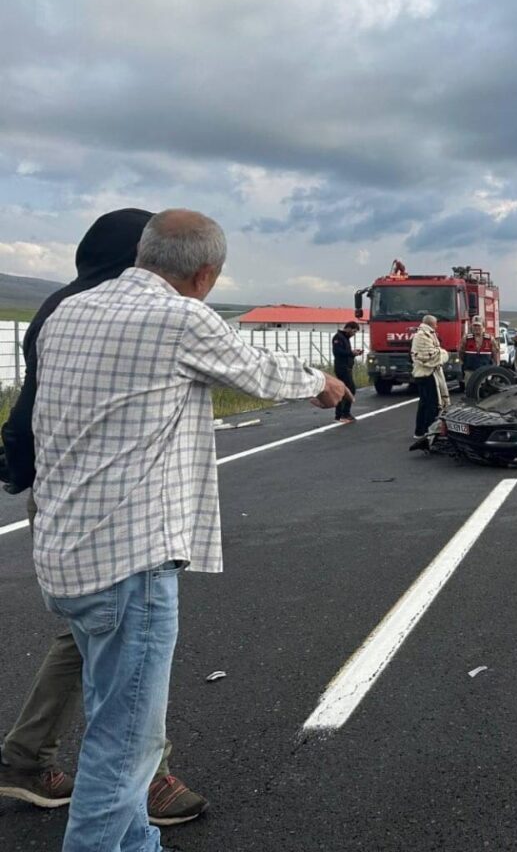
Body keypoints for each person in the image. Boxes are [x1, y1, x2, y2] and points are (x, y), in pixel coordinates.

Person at [29, 209, 348, 852]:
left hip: (63, 554)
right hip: (130, 563)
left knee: (113, 715)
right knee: (124, 746)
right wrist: (327, 385)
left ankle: (138, 842)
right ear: (205, 274)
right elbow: (261, 371)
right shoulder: (179, 317)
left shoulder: (69, 311)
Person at [0, 208, 209, 827]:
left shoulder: (65, 306)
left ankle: (26, 756)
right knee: (133, 637)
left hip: (64, 499)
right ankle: (144, 778)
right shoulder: (124, 312)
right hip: (104, 508)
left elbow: (33, 407)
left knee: (88, 637)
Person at [411, 314, 450, 438]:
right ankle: (429, 431)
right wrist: (444, 354)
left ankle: (421, 430)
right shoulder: (422, 336)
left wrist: (440, 352)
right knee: (431, 404)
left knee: (425, 403)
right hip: (426, 374)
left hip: (426, 374)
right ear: (431, 324)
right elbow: (429, 356)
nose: (437, 326)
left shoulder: (425, 334)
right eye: (436, 324)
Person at [331, 320, 364, 422]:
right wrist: (351, 353)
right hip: (342, 368)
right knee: (350, 390)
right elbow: (338, 352)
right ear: (348, 328)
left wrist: (354, 353)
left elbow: (346, 352)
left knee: (343, 390)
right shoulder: (338, 337)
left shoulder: (345, 338)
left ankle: (340, 414)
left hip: (347, 367)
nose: (354, 334)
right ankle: (344, 414)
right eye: (353, 331)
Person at [458, 316, 500, 387]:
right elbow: (461, 352)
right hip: (470, 370)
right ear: (471, 327)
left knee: (485, 391)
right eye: (474, 325)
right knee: (470, 389)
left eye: (478, 325)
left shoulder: (490, 339)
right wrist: (463, 363)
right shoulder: (466, 339)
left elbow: (495, 354)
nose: (476, 328)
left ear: (483, 326)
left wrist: (496, 366)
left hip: (485, 371)